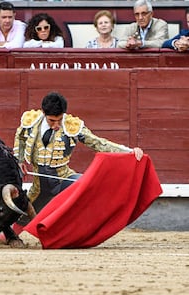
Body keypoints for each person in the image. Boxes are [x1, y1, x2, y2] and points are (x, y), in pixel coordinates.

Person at [11, 92, 144, 233]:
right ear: (44, 113)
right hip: (40, 185)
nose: (56, 125)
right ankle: (9, 238)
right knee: (23, 215)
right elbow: (20, 137)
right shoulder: (31, 121)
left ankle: (82, 233)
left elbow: (98, 143)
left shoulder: (72, 126)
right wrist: (18, 161)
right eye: (52, 121)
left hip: (63, 177)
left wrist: (128, 151)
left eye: (60, 120)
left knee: (86, 188)